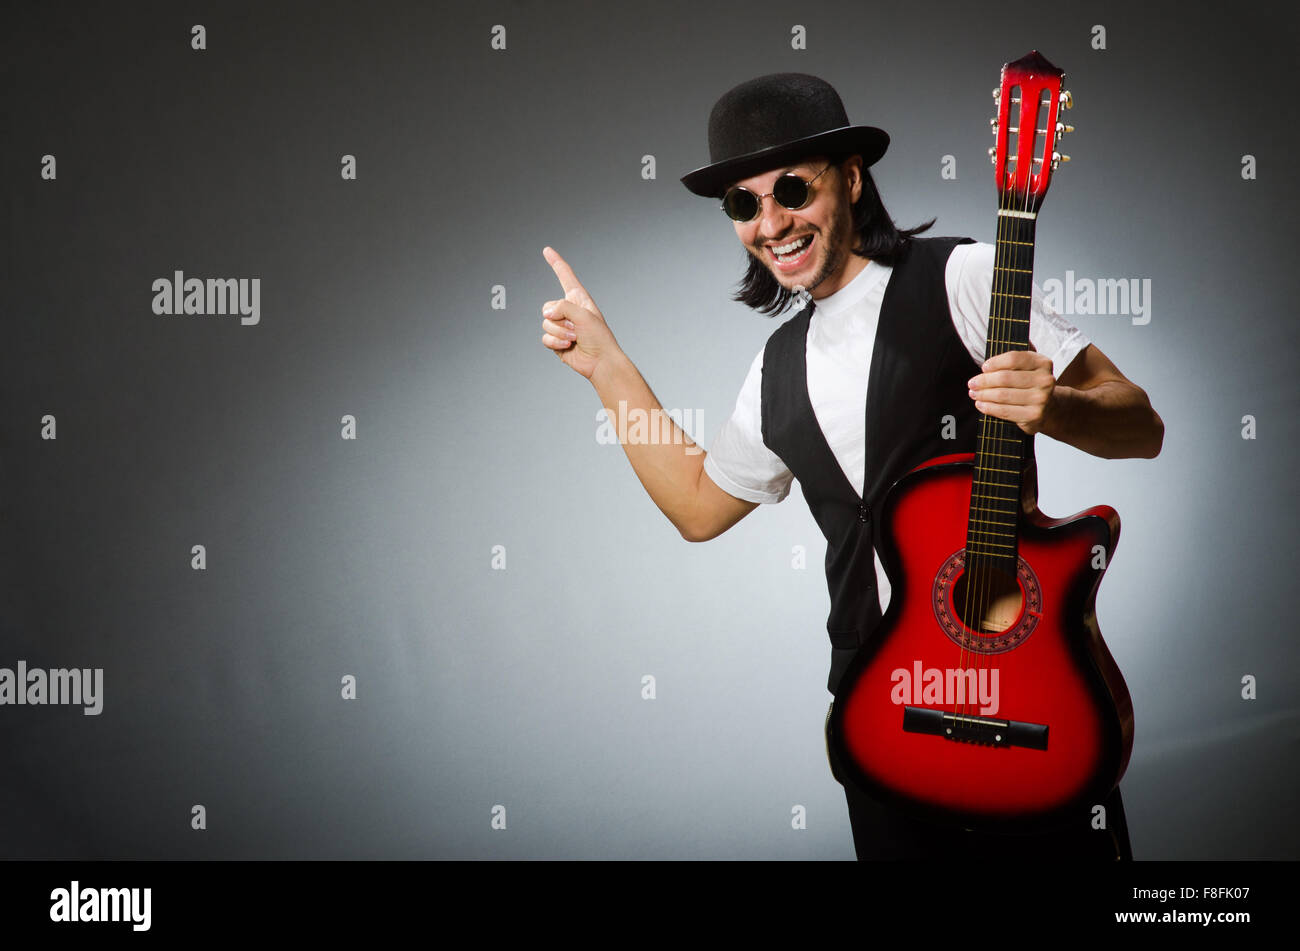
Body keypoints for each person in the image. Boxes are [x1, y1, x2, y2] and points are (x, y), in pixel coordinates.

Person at [539, 73, 1163, 860]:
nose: (771, 222)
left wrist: (1060, 410)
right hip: (884, 723)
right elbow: (698, 507)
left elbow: (1141, 425)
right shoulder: (777, 368)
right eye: (743, 203)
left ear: (853, 176)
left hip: (1031, 711)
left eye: (792, 188)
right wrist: (608, 369)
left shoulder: (962, 276)